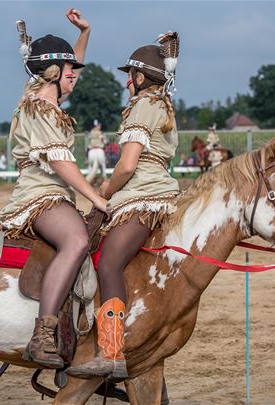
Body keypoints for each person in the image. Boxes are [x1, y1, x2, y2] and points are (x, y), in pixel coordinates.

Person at [0, 9, 106, 369]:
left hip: (52, 192)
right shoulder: (41, 108)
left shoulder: (48, 98)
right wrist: (96, 197)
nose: (76, 76)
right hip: (41, 193)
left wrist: (85, 32)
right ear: (55, 74)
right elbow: (62, 163)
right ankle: (43, 334)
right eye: (70, 72)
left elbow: (73, 63)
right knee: (77, 241)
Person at [67, 31, 181, 380]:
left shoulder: (145, 106)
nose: (126, 83)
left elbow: (128, 164)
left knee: (109, 266)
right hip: (154, 193)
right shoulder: (159, 103)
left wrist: (104, 188)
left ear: (140, 77)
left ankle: (111, 351)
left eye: (128, 76)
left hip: (141, 196)